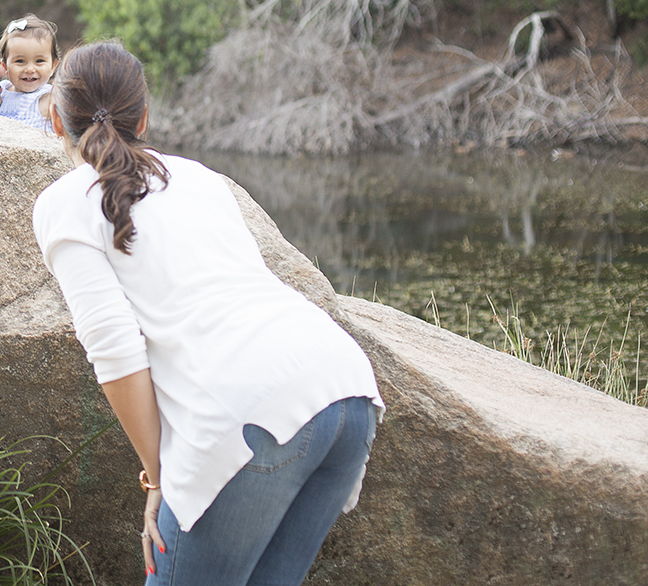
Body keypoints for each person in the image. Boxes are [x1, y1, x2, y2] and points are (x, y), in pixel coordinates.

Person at [32, 41, 384, 586]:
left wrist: (158, 477)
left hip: (248, 415)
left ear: (55, 118)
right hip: (346, 387)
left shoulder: (64, 200)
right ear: (144, 116)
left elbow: (114, 349)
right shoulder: (199, 176)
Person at [0, 14, 59, 133]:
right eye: (20, 61)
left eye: (39, 61)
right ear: (5, 67)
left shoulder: (51, 97)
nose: (30, 69)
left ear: (53, 66)